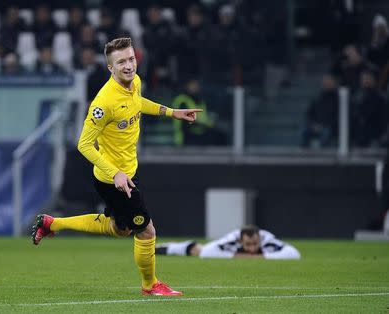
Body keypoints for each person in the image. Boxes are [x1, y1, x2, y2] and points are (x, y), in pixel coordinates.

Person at [31, 37, 202, 296]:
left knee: (118, 228)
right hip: (114, 179)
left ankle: (51, 224)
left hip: (126, 173)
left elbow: (139, 104)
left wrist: (171, 112)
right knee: (146, 231)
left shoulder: (135, 83)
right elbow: (84, 145)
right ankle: (150, 285)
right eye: (121, 61)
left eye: (131, 59)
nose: (128, 65)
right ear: (110, 68)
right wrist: (116, 173)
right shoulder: (103, 103)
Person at [155, 224, 301, 260]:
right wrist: (237, 256)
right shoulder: (231, 239)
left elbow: (294, 253)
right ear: (240, 241)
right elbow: (207, 252)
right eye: (248, 245)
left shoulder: (268, 240)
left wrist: (260, 257)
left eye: (255, 244)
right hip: (225, 250)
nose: (251, 248)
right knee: (198, 250)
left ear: (260, 239)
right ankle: (167, 248)